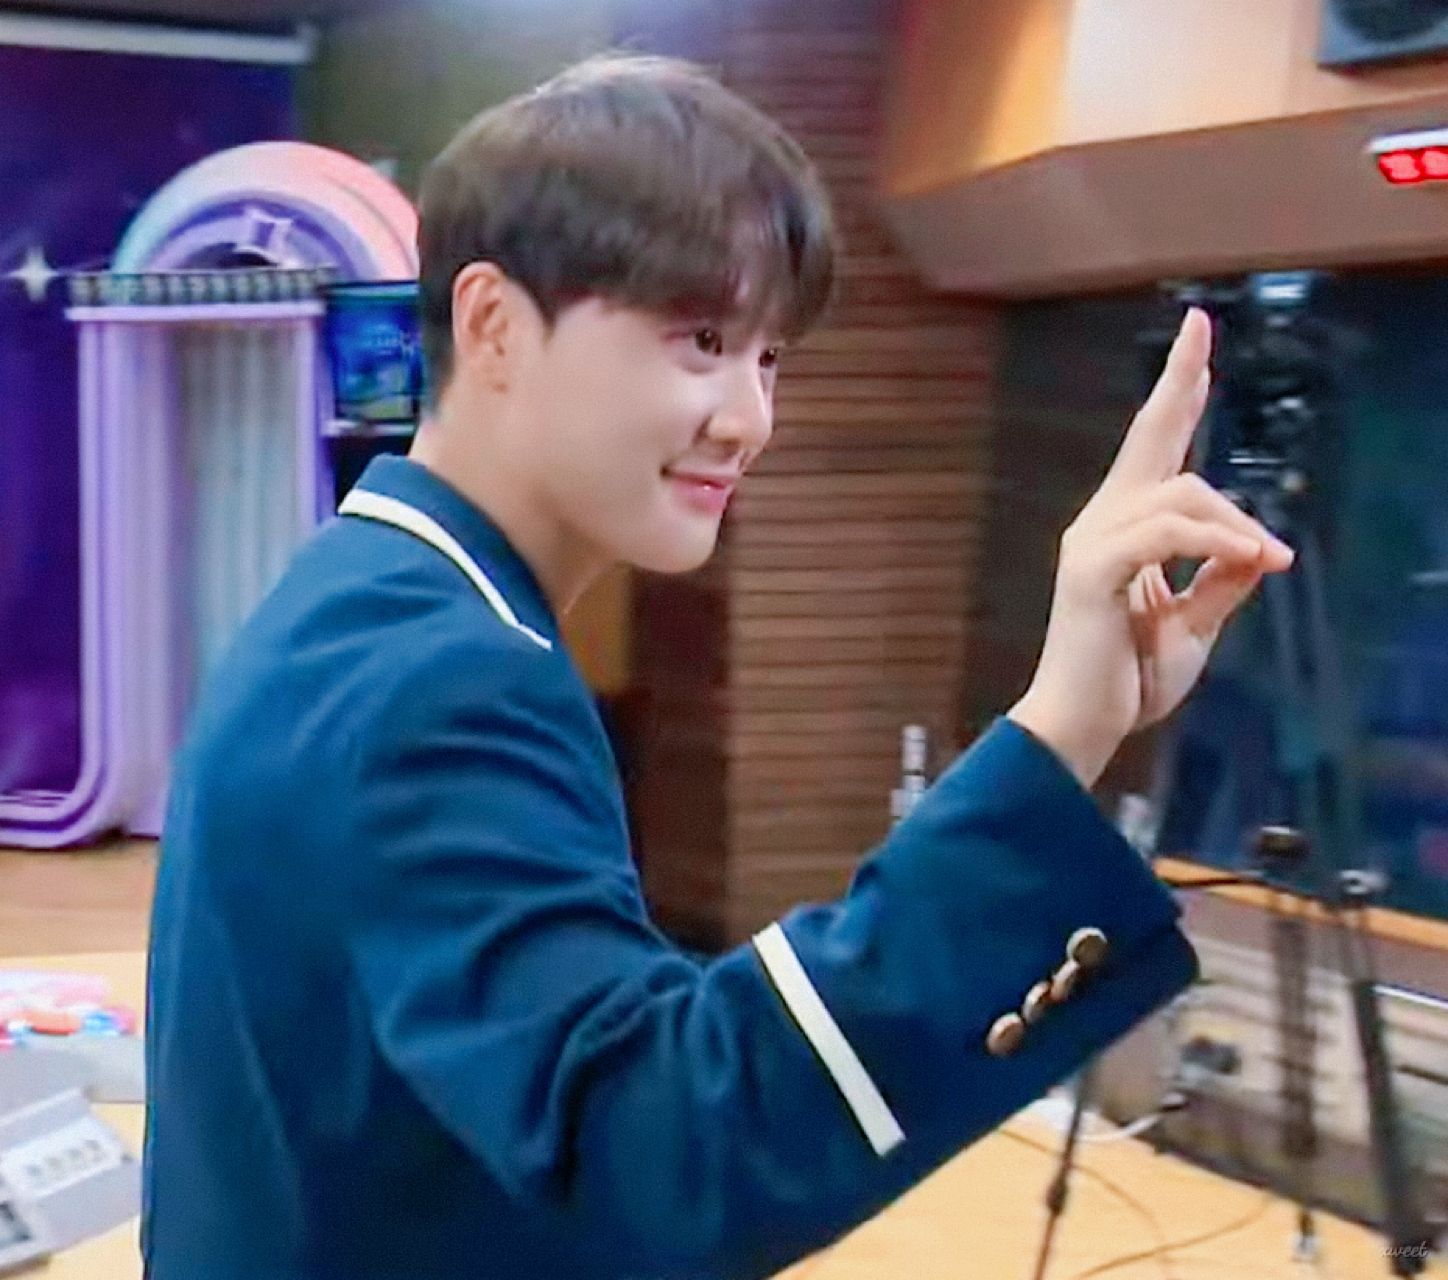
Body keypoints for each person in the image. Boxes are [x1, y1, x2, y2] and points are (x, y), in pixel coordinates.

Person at [141, 52, 1295, 1280]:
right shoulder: (444, 674)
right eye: (699, 338)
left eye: (768, 356)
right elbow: (667, 1151)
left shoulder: (366, 596)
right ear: (492, 325)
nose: (748, 417)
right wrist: (1055, 731)